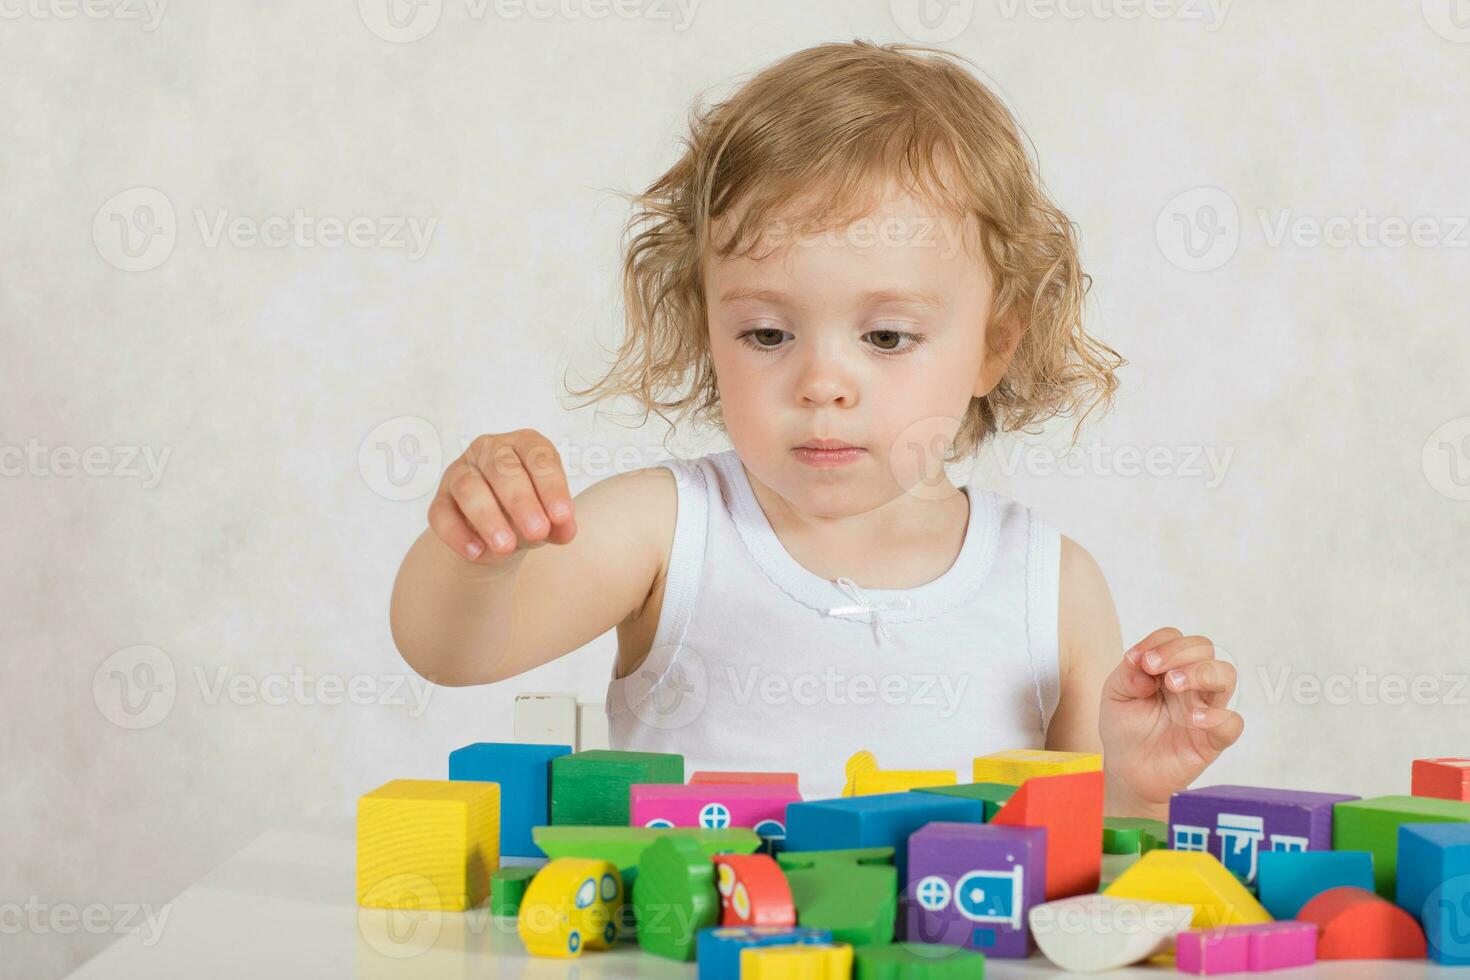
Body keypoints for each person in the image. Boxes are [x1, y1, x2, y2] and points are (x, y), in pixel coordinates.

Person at [390, 41, 1241, 813]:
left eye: (885, 337)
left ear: (995, 346)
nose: (823, 383)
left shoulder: (1049, 587)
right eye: (768, 334)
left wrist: (1134, 786)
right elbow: (452, 654)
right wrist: (482, 553)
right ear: (706, 328)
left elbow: (1090, 858)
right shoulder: (668, 532)